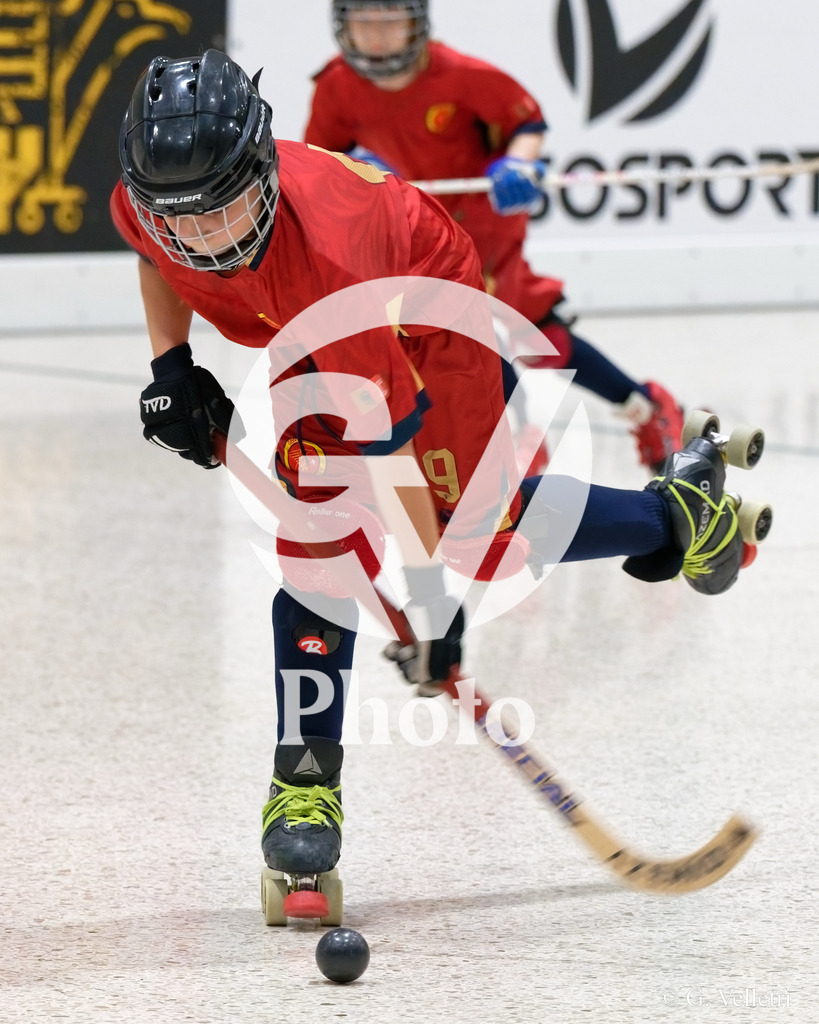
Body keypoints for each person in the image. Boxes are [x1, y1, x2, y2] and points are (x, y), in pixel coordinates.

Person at [111, 50, 750, 896]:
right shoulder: (158, 198)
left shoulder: (332, 262)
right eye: (180, 218)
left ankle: (674, 514)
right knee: (318, 552)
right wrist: (171, 368)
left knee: (472, 540)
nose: (205, 240)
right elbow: (158, 256)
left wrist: (431, 610)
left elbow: (390, 454)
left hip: (420, 316)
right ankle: (304, 787)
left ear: (259, 170)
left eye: (223, 210)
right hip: (311, 334)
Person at [304, 0, 684, 474]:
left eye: (391, 23)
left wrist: (520, 163)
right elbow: (317, 163)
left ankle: (637, 408)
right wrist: (355, 173)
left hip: (481, 225)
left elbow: (526, 122)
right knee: (464, 335)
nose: (377, 38)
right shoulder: (336, 87)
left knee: (519, 335)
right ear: (344, 27)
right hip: (409, 231)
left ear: (416, 23)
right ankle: (540, 433)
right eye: (365, 24)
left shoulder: (464, 75)